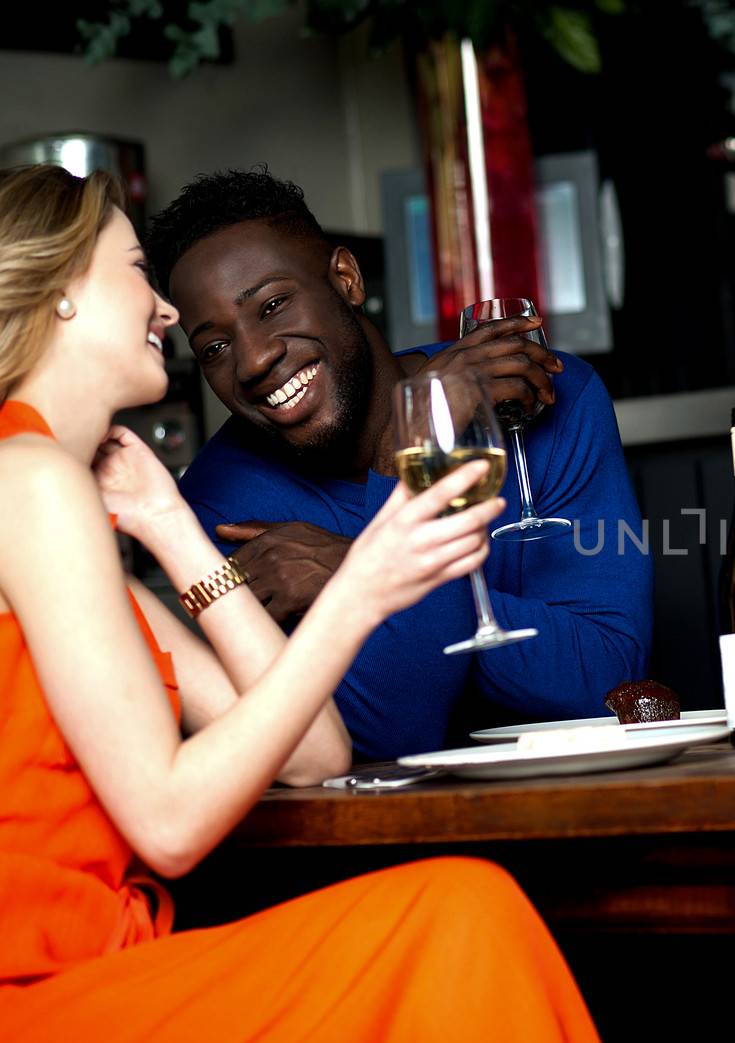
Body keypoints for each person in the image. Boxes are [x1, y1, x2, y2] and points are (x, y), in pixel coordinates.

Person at [0, 164, 608, 1043]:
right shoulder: (31, 480)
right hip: (44, 996)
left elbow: (314, 751)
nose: (166, 314)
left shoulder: (57, 503)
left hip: (99, 972)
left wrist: (174, 529)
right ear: (62, 297)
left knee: (463, 911)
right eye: (137, 272)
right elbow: (168, 824)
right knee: (460, 917)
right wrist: (362, 585)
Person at [144, 170, 650, 761]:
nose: (254, 360)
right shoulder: (218, 505)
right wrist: (405, 460)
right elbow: (393, 731)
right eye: (215, 348)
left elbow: (606, 677)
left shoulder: (543, 400)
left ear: (345, 279)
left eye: (274, 305)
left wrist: (351, 570)